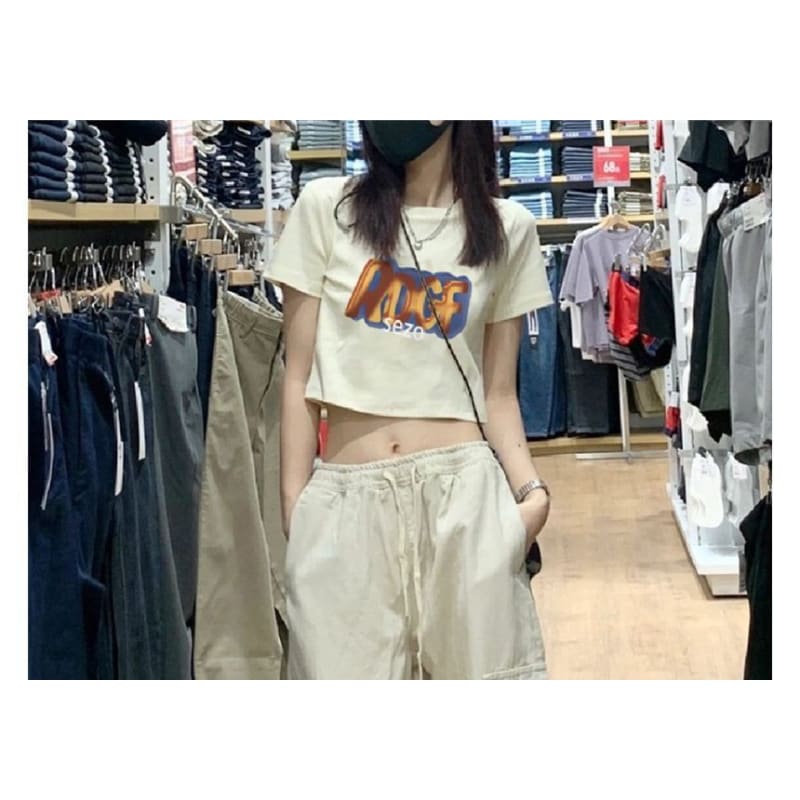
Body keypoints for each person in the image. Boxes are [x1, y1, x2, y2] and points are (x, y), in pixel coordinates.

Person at [268, 120, 553, 679]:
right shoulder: (327, 208)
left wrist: (532, 497)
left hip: (464, 501)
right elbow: (297, 377)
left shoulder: (506, 228)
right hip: (347, 503)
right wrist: (295, 510)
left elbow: (499, 392)